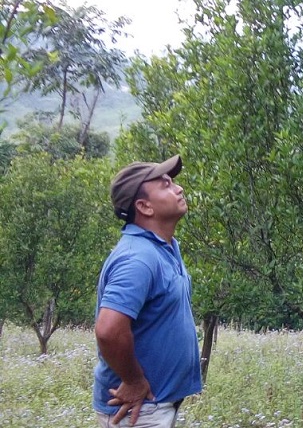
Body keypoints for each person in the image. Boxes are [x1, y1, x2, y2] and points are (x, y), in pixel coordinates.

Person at [93, 155, 202, 427]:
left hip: (156, 405)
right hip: (138, 410)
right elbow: (108, 330)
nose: (178, 188)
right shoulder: (138, 258)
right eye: (165, 185)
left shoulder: (164, 247)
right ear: (144, 206)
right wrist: (133, 380)